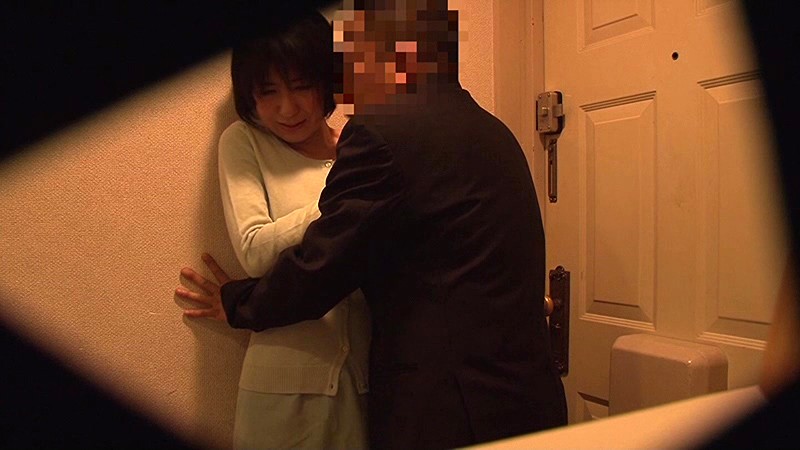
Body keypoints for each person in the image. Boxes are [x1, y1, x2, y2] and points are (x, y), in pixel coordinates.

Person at [177, 1, 568, 448]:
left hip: (451, 409)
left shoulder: (383, 133)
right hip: (527, 399)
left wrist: (237, 302)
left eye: (353, 55)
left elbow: (320, 270)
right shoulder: (493, 131)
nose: (345, 78)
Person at [177, 11, 370, 450]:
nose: (288, 108)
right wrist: (343, 205)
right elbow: (255, 250)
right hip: (279, 391)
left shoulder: (360, 147)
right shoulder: (244, 141)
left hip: (364, 384)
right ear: (249, 95)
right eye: (268, 92)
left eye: (301, 86)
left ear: (326, 80)